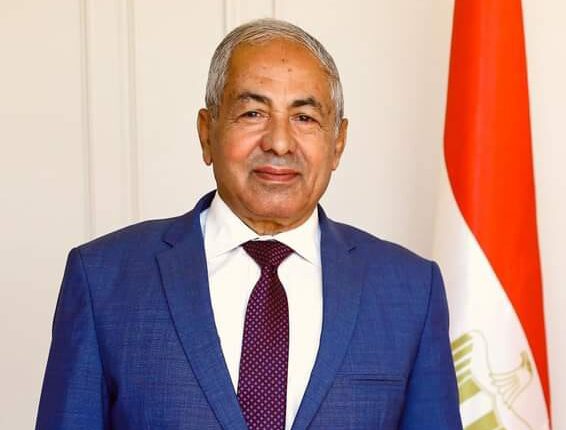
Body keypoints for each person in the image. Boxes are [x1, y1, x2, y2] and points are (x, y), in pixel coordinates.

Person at [36, 18, 462, 430]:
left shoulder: (410, 290)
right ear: (207, 133)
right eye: (253, 113)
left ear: (338, 143)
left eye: (304, 118)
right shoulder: (104, 279)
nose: (279, 142)